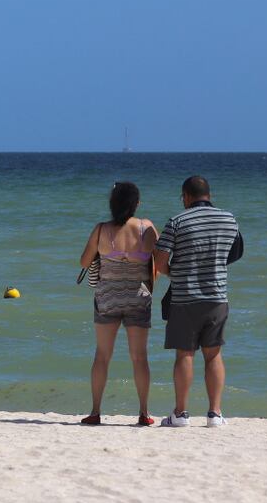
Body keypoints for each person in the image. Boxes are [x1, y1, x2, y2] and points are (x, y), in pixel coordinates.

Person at [154, 175, 243, 428]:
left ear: (186, 196)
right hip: (217, 296)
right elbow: (234, 254)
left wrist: (175, 273)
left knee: (185, 355)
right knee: (213, 355)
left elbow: (159, 262)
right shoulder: (229, 219)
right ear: (209, 196)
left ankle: (180, 414)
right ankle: (215, 414)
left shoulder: (177, 221)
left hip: (184, 298)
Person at [78, 182, 158, 426]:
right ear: (137, 204)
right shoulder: (147, 228)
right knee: (139, 357)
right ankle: (144, 413)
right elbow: (158, 266)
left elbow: (84, 262)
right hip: (138, 298)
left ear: (112, 204)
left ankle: (95, 411)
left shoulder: (101, 230)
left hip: (107, 297)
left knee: (102, 355)